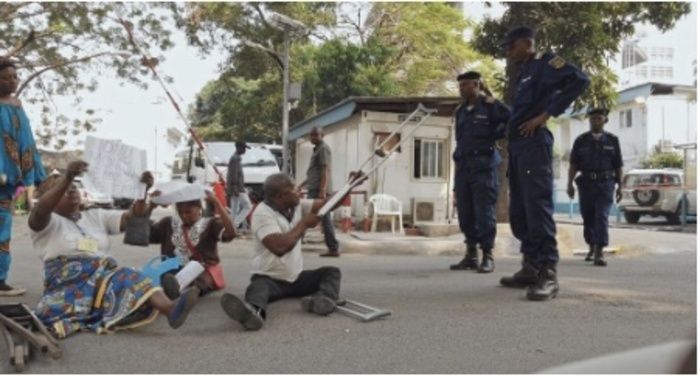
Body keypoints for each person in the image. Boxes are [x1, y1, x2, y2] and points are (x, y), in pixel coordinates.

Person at [28, 161, 199, 338]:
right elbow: (40, 210)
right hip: (68, 282)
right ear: (50, 197)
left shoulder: (95, 215)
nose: (71, 190)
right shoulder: (45, 223)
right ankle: (170, 309)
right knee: (127, 276)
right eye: (64, 188)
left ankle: (152, 304)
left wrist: (142, 191)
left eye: (73, 186)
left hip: (103, 276)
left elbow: (133, 218)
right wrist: (67, 177)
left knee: (134, 277)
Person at [498, 26, 590, 301]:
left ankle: (548, 274)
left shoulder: (546, 63)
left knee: (537, 207)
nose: (508, 52)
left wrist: (545, 115)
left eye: (511, 46)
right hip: (518, 147)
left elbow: (580, 80)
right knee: (520, 210)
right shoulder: (523, 72)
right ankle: (530, 266)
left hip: (534, 143)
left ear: (527, 44)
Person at [220, 173, 362, 331]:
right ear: (280, 196)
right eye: (294, 189)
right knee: (258, 288)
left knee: (331, 272)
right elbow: (279, 248)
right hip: (270, 277)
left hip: (295, 277)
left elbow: (328, 203)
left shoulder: (296, 205)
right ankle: (254, 313)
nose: (299, 191)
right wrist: (303, 224)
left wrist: (349, 185)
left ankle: (321, 300)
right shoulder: (262, 213)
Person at [449, 71, 510, 273]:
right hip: (464, 167)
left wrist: (497, 134)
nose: (461, 89)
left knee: (484, 212)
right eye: (460, 86)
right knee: (465, 212)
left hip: (484, 165)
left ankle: (488, 256)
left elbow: (510, 118)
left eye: (465, 85)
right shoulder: (461, 111)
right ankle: (471, 254)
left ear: (476, 84)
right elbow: (460, 142)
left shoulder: (491, 105)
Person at [0, 59, 46, 296]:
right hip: (2, 178)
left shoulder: (17, 104)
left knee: (6, 227)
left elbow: (27, 142)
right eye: (6, 77)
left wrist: (37, 175)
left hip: (15, 181)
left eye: (15, 76)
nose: (12, 81)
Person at [149, 184, 237, 297]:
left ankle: (181, 291)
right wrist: (151, 205)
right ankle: (175, 290)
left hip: (201, 272)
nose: (184, 216)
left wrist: (217, 203)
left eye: (188, 212)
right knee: (165, 277)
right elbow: (143, 234)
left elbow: (232, 233)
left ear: (199, 209)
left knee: (198, 282)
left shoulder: (211, 224)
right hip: (173, 271)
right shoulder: (168, 223)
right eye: (180, 212)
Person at [567, 108, 623, 267]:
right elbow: (573, 164)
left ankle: (599, 250)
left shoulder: (612, 140)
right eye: (592, 119)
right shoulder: (581, 140)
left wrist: (620, 186)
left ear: (604, 120)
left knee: (602, 215)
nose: (595, 121)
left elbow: (618, 165)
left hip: (606, 184)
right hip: (586, 183)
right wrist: (569, 184)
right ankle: (591, 245)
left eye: (598, 118)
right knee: (588, 216)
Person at [297, 127, 340, 257]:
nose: (313, 138)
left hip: (318, 191)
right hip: (314, 189)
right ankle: (333, 248)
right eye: (311, 135)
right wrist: (301, 185)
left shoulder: (323, 149)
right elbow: (314, 173)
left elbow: (325, 170)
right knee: (319, 218)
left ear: (322, 135)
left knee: (305, 216)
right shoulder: (317, 149)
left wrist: (322, 190)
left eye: (316, 135)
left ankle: (294, 244)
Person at [227, 141, 252, 232]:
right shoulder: (235, 158)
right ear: (238, 147)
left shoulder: (236, 158)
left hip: (235, 187)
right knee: (248, 206)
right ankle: (235, 224)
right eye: (244, 148)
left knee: (234, 209)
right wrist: (235, 187)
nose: (245, 150)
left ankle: (231, 227)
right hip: (237, 188)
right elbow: (233, 174)